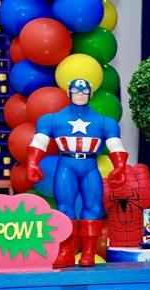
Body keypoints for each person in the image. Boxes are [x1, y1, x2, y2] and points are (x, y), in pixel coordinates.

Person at [26, 78, 127, 267]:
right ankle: (66, 252)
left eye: (84, 92)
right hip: (66, 165)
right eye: (76, 91)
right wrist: (33, 163)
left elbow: (116, 147)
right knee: (65, 209)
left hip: (89, 166)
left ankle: (88, 253)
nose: (80, 95)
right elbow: (39, 143)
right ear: (69, 93)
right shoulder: (53, 119)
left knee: (93, 208)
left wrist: (120, 167)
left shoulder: (105, 122)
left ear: (90, 94)